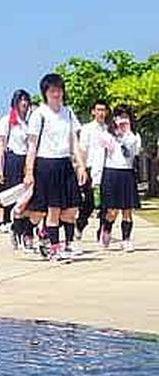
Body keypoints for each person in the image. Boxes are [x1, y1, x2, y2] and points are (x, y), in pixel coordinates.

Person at [24, 73, 86, 262]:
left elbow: (74, 141)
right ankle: (54, 248)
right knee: (51, 210)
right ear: (45, 93)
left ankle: (56, 239)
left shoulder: (68, 113)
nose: (56, 94)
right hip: (46, 164)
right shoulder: (39, 114)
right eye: (52, 91)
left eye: (59, 90)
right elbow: (32, 146)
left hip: (65, 164)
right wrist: (29, 172)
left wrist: (81, 166)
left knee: (72, 209)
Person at [0, 89, 36, 250]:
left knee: (30, 198)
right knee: (16, 197)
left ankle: (24, 231)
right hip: (13, 160)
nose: (24, 103)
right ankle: (16, 229)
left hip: (29, 160)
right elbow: (1, 146)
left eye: (26, 100)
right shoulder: (7, 121)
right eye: (21, 100)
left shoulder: (32, 120)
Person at [97, 105, 141, 252]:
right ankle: (107, 228)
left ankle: (126, 239)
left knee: (127, 209)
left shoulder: (134, 136)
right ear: (114, 119)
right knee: (112, 210)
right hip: (111, 172)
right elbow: (102, 149)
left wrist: (127, 133)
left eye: (126, 117)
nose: (123, 120)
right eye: (119, 116)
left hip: (127, 173)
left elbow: (134, 153)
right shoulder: (108, 134)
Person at [77, 99, 110, 240]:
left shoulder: (110, 129)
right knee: (89, 202)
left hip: (107, 169)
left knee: (106, 203)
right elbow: (82, 149)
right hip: (91, 168)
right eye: (98, 110)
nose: (101, 113)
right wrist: (82, 168)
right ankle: (80, 225)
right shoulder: (87, 129)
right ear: (93, 112)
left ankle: (103, 231)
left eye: (103, 110)